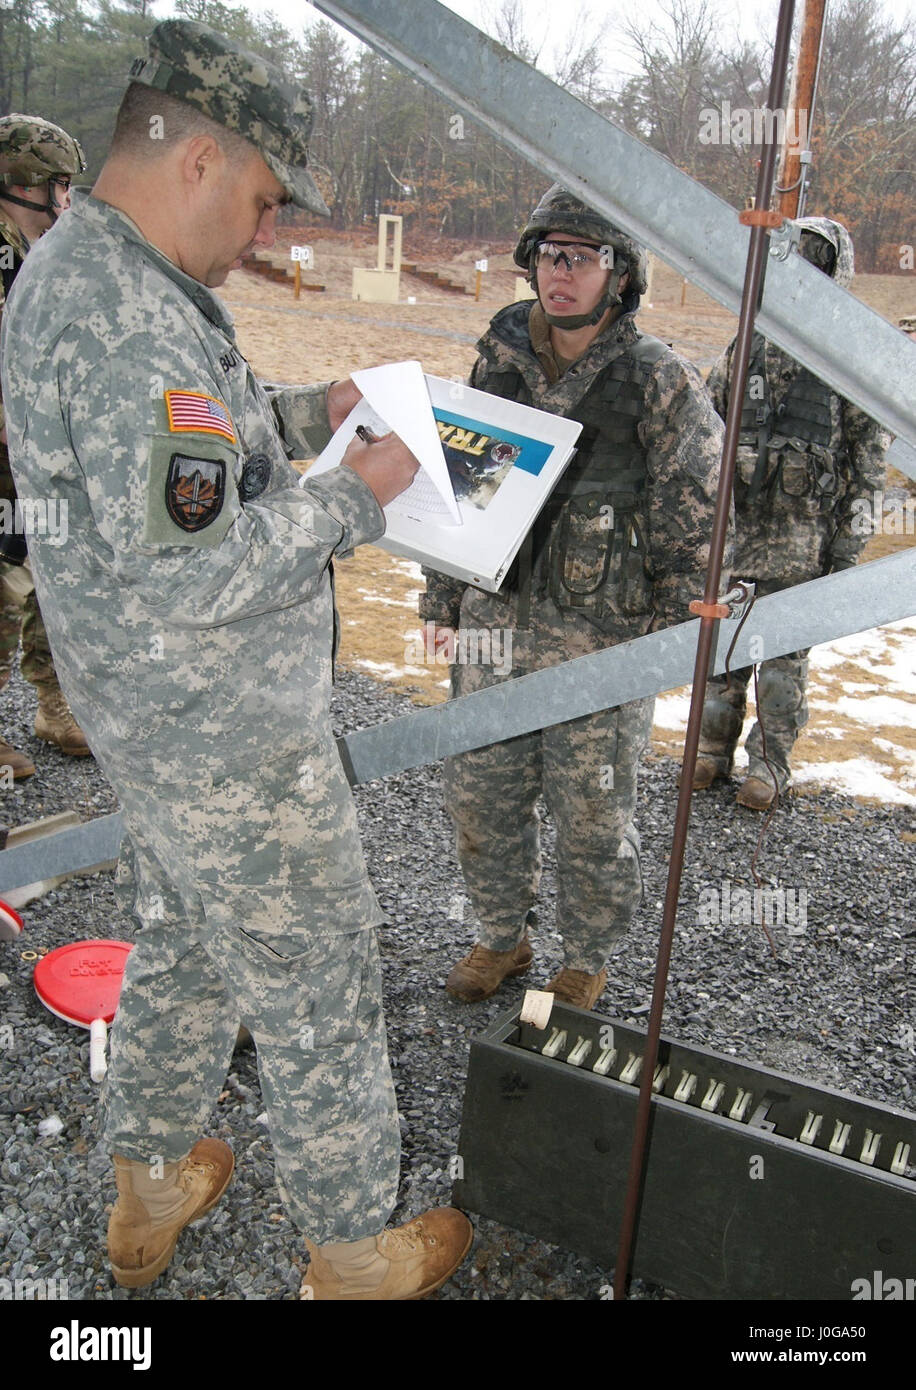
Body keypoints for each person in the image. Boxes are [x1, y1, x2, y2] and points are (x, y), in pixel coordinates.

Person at [1, 19, 472, 1301]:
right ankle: (351, 1252)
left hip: (154, 722)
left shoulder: (96, 271)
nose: (263, 232)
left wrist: (312, 415)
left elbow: (184, 459)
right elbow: (195, 565)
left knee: (190, 943)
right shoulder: (126, 311)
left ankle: (146, 1189)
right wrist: (356, 497)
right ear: (198, 157)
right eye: (264, 201)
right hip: (221, 735)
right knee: (318, 978)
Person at [420, 185, 727, 1011]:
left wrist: (669, 639)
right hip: (496, 625)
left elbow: (696, 511)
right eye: (550, 255)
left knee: (593, 816)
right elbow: (458, 487)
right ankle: (500, 938)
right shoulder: (498, 360)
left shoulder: (657, 379)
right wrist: (440, 602)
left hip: (603, 638)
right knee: (481, 796)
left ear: (618, 274)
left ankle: (586, 957)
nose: (562, 274)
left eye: (582, 258)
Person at [693, 217, 890, 809]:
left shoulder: (846, 358)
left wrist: (847, 551)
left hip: (804, 546)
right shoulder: (746, 345)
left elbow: (868, 467)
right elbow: (705, 427)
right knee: (721, 652)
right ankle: (708, 752)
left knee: (782, 665)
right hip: (737, 537)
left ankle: (770, 766)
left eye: (813, 265)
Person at [0, 114, 90, 777]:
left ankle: (53, 701)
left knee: (49, 574)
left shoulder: (49, 255)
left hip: (37, 455)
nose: (65, 203)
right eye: (55, 186)